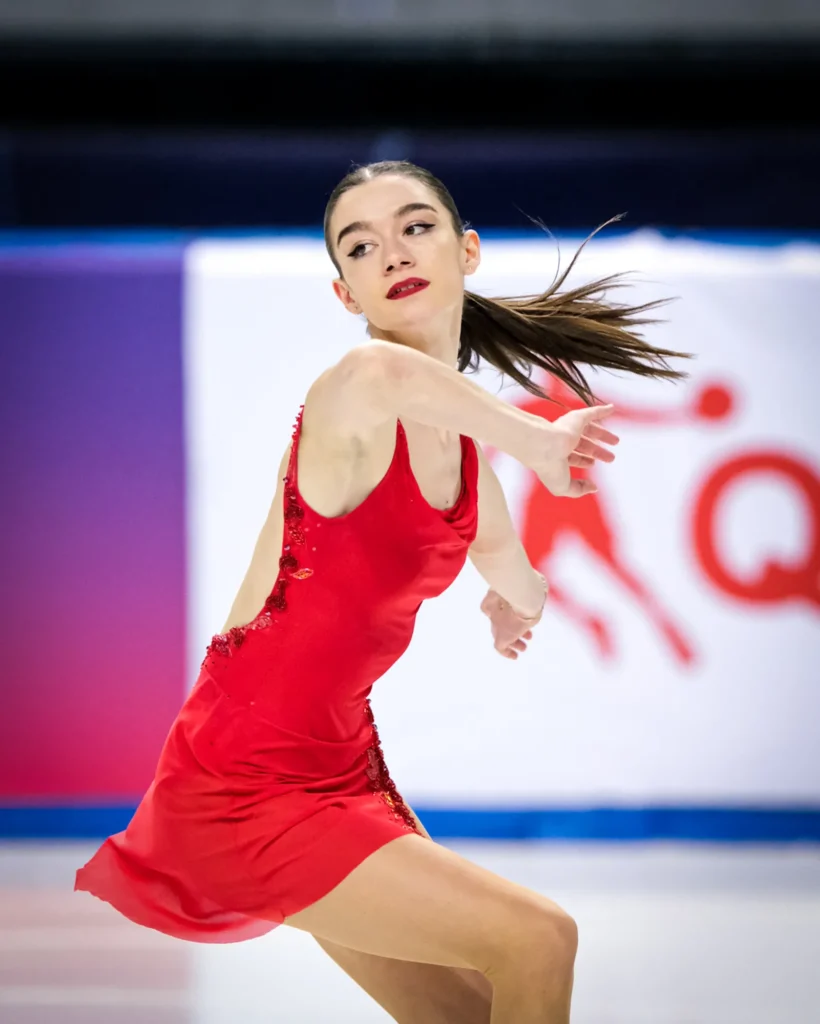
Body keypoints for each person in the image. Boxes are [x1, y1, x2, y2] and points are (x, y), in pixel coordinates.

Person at [75, 160, 690, 1023]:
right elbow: (386, 376)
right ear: (345, 292)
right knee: (539, 940)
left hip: (342, 766)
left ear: (467, 251)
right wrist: (538, 440)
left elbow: (516, 573)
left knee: (474, 1010)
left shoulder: (468, 461)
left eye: (416, 227)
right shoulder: (352, 395)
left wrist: (513, 603)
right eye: (361, 246)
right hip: (245, 776)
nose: (393, 252)